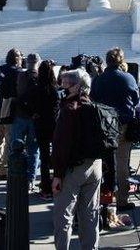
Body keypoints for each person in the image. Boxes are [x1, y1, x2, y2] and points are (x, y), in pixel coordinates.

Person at [51, 69, 102, 250]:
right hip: (95, 165)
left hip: (73, 168)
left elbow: (60, 145)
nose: (65, 84)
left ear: (78, 85)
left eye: (69, 81)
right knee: (90, 214)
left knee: (63, 216)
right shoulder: (94, 106)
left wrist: (57, 175)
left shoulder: (69, 109)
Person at [89, 47, 139, 212]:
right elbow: (135, 99)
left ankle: (103, 197)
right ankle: (122, 200)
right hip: (123, 124)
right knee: (122, 163)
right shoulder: (128, 78)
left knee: (103, 163)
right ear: (121, 61)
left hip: (103, 125)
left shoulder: (98, 79)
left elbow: (93, 99)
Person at [11, 53, 41, 189]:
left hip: (20, 115)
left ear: (26, 63)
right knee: (33, 149)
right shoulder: (41, 77)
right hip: (34, 118)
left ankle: (14, 175)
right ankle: (30, 179)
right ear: (38, 63)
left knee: (15, 146)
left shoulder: (20, 76)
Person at [0, 48, 22, 179]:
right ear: (17, 58)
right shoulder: (17, 72)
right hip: (10, 109)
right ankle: (4, 169)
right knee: (9, 140)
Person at [34, 59, 59, 199]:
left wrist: (34, 114)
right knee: (55, 157)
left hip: (40, 125)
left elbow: (25, 101)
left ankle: (45, 188)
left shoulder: (37, 88)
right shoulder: (54, 89)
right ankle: (56, 184)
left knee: (44, 158)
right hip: (53, 125)